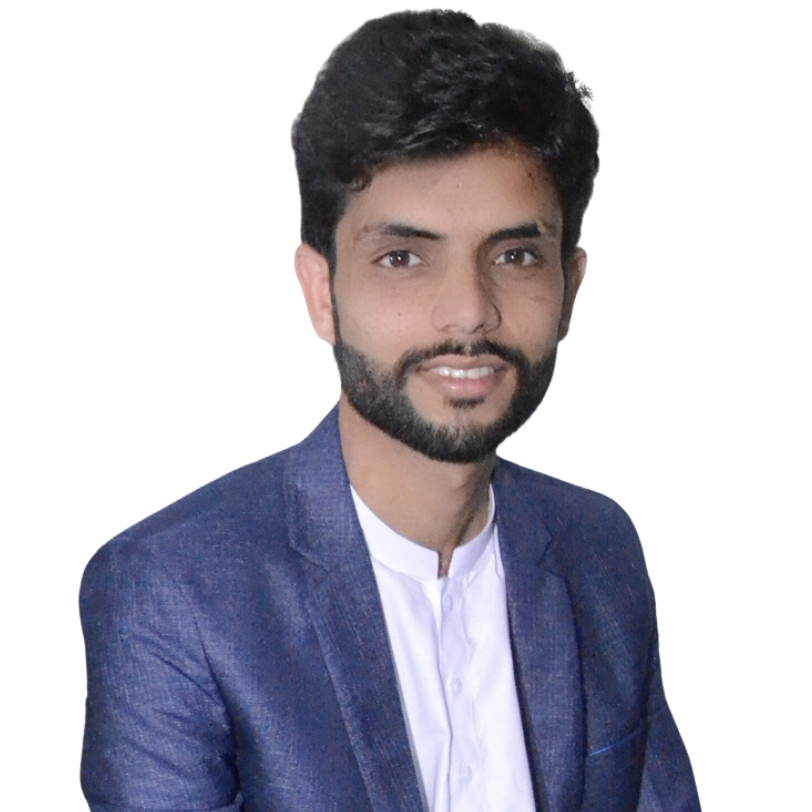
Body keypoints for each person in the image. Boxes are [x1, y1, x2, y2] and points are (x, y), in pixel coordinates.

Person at [80, 10, 700, 812]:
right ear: (322, 291)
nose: (468, 312)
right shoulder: (174, 593)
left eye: (515, 255)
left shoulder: (597, 549)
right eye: (403, 257)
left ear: (569, 287)